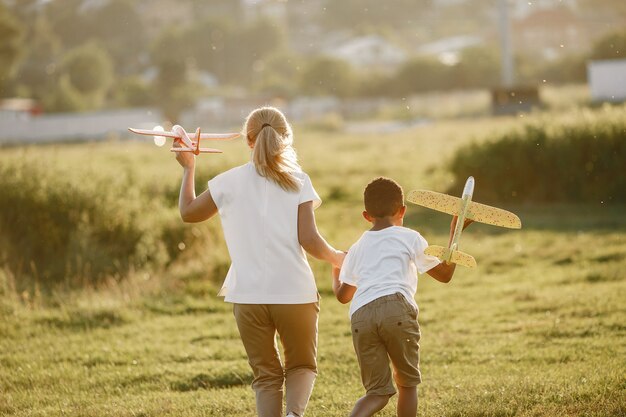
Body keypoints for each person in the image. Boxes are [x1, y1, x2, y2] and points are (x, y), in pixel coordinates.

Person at [174, 106, 344, 417]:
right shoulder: (298, 181)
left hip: (248, 297)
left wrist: (188, 167)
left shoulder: (227, 182)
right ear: (287, 139)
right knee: (302, 365)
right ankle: (294, 414)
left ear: (248, 141)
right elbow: (309, 239)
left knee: (266, 376)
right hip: (295, 293)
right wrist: (337, 258)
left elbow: (188, 213)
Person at [331, 177, 471, 417]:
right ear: (403, 210)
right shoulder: (410, 237)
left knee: (377, 393)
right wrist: (453, 234)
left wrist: (336, 271)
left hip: (361, 316)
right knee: (406, 384)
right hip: (396, 309)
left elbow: (343, 296)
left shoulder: (357, 247)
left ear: (366, 216)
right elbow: (445, 274)